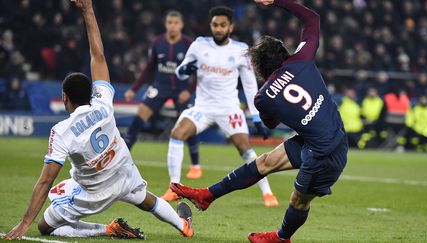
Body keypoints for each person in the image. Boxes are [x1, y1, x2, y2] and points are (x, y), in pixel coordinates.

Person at [3, 0, 193, 240]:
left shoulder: (62, 131)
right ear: (91, 92)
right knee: (147, 200)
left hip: (92, 193)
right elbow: (99, 56)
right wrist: (88, 11)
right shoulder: (103, 101)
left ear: (64, 97)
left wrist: (24, 223)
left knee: (44, 227)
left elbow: (45, 181)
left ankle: (107, 229)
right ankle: (183, 225)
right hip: (123, 172)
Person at [170, 0, 348, 242]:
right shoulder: (303, 58)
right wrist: (277, 1)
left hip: (324, 154)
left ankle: (282, 238)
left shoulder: (263, 97)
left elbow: (271, 124)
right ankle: (207, 196)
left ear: (260, 67)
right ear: (284, 53)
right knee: (265, 161)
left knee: (299, 199)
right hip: (325, 138)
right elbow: (312, 19)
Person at [162, 5, 279, 208]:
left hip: (229, 109)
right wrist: (185, 69)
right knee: (177, 133)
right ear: (211, 25)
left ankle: (268, 193)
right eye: (215, 25)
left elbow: (250, 86)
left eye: (222, 25)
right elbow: (180, 72)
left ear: (230, 27)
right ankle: (174, 188)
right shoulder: (199, 45)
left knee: (245, 149)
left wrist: (257, 117)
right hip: (203, 108)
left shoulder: (240, 50)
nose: (218, 29)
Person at [123, 11, 202, 179]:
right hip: (160, 86)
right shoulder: (157, 42)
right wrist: (134, 89)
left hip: (181, 89)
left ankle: (195, 165)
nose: (172, 25)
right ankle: (121, 159)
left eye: (175, 22)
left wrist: (189, 91)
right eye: (169, 22)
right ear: (166, 24)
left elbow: (199, 71)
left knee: (189, 124)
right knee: (139, 118)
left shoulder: (189, 44)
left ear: (181, 25)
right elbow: (149, 68)